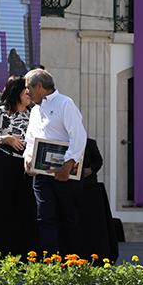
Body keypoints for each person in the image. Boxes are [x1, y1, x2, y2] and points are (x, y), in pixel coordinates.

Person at [23, 69, 87, 255]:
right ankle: (50, 262)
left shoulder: (65, 103)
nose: (26, 92)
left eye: (28, 88)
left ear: (39, 87)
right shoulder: (35, 110)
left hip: (64, 175)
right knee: (45, 218)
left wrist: (68, 164)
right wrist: (28, 157)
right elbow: (31, 139)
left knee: (69, 218)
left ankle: (72, 263)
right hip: (41, 175)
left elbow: (79, 136)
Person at [0, 76, 37, 255]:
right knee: (0, 209)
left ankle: (25, 255)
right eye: (26, 90)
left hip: (28, 167)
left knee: (26, 210)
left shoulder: (35, 113)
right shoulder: (0, 112)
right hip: (5, 163)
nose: (29, 93)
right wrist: (4, 139)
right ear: (16, 91)